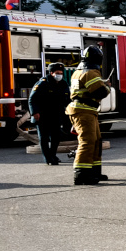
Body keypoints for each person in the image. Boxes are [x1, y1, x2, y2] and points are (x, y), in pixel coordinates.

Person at [66, 46, 110, 185]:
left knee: (96, 141)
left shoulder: (78, 72)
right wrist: (107, 86)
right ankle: (81, 175)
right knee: (87, 141)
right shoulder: (91, 73)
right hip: (84, 111)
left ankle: (94, 172)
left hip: (87, 110)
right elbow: (100, 92)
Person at [28, 62, 70, 165]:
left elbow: (67, 99)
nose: (59, 75)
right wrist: (34, 112)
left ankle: (52, 155)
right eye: (57, 73)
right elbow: (32, 99)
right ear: (51, 73)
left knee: (56, 137)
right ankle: (48, 158)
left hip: (56, 115)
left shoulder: (63, 84)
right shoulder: (43, 83)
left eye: (61, 73)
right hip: (42, 115)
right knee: (44, 138)